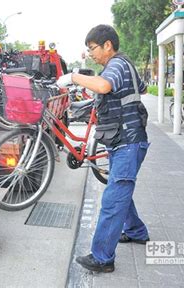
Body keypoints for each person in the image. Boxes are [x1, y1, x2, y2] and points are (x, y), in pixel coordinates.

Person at [57, 24, 150, 273]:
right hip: (123, 140)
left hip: (128, 142)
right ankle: (136, 231)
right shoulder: (122, 65)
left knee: (113, 199)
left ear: (108, 45)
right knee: (119, 189)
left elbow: (104, 87)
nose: (91, 54)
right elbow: (142, 89)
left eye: (93, 49)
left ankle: (102, 258)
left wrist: (74, 77)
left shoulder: (117, 65)